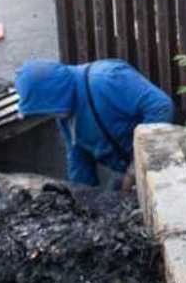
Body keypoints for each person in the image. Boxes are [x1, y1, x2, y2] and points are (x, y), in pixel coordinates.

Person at [14, 58, 174, 189]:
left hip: (164, 160)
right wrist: (80, 195)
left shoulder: (107, 79)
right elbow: (78, 157)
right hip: (123, 169)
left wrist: (136, 167)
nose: (45, 116)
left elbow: (161, 107)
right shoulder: (65, 113)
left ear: (52, 97)